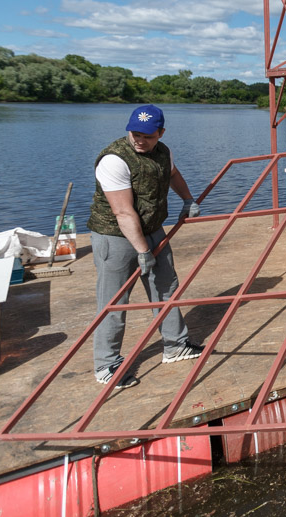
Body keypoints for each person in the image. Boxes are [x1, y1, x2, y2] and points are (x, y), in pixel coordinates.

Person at [87, 105, 204, 388]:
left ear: (160, 133)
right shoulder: (114, 159)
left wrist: (188, 200)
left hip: (152, 230)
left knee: (166, 286)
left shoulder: (163, 151)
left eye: (147, 135)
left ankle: (176, 346)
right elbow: (123, 213)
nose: (139, 139)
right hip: (115, 237)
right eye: (135, 133)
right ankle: (106, 365)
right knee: (114, 301)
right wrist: (142, 251)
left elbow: (173, 174)